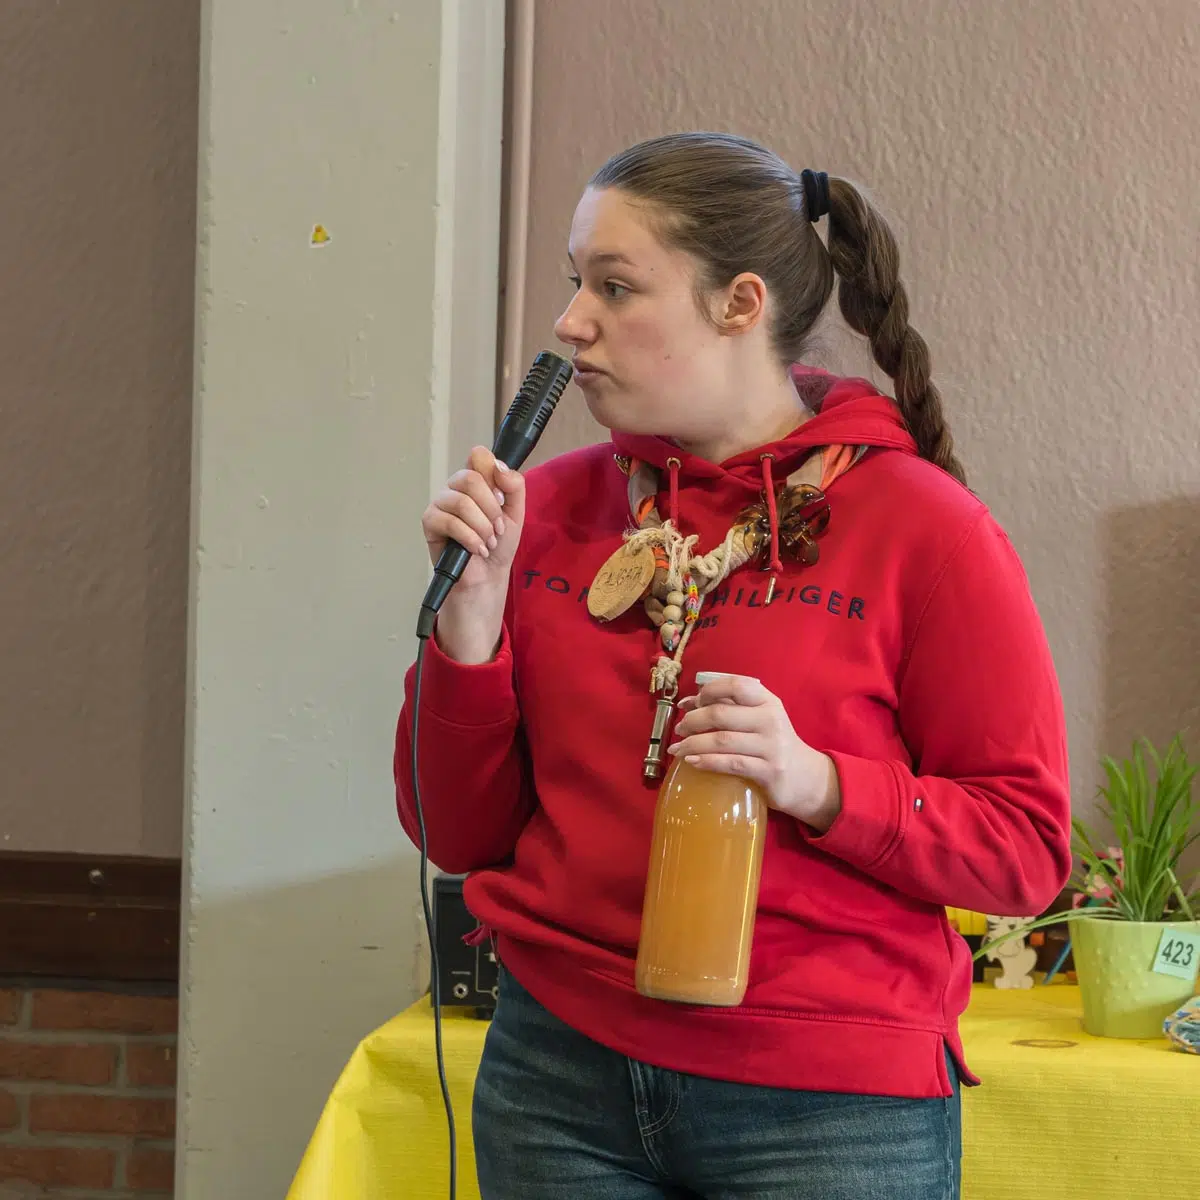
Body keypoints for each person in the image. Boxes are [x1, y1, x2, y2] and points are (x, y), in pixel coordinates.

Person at [396, 131, 1072, 1199]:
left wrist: (820, 784)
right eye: (575, 282)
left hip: (827, 1104)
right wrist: (467, 636)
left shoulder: (925, 529)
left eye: (616, 288)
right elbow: (458, 832)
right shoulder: (556, 510)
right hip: (556, 1073)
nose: (572, 323)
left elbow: (1026, 853)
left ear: (741, 304)